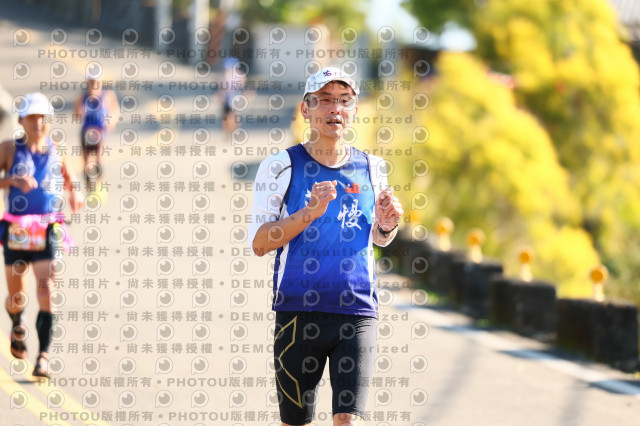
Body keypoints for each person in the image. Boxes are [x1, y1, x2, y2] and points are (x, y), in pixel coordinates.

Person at [249, 67, 404, 426]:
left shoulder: (373, 168)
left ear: (354, 111)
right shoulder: (280, 166)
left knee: (349, 421)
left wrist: (388, 224)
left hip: (357, 311)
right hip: (297, 312)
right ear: (306, 109)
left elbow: (378, 237)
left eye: (344, 101)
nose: (335, 108)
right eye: (325, 100)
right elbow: (259, 243)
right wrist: (309, 213)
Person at [0, 92, 80, 378]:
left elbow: (70, 179)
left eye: (43, 118)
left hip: (47, 229)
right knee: (17, 295)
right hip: (18, 230)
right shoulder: (9, 149)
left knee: (47, 290)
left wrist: (76, 193)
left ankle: (43, 356)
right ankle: (17, 325)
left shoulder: (57, 150)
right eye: (32, 117)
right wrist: (12, 180)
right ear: (21, 121)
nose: (38, 123)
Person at [74, 77, 119, 192]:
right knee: (86, 161)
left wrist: (111, 122)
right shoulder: (83, 97)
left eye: (96, 82)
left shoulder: (107, 96)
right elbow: (77, 115)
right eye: (92, 82)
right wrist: (81, 110)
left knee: (99, 157)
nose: (94, 84)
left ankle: (99, 183)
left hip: (100, 131)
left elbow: (115, 111)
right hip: (87, 131)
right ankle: (89, 185)